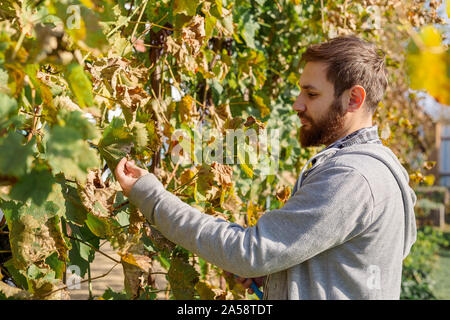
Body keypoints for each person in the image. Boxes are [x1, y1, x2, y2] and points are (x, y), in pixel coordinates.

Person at [115, 35, 417, 299]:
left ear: (354, 98)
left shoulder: (351, 177)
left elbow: (248, 251)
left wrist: (152, 198)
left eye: (311, 94)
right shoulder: (386, 170)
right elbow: (350, 266)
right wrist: (278, 276)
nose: (298, 104)